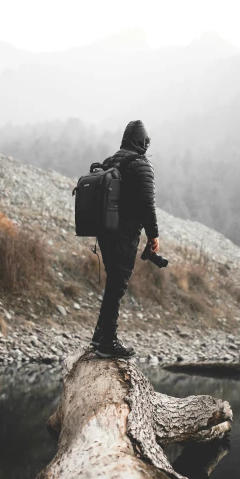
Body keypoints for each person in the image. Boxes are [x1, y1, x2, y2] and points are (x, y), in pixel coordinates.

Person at [92, 120, 160, 359]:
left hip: (104, 231)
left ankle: (99, 336)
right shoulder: (141, 165)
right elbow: (147, 205)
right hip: (125, 234)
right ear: (142, 142)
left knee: (113, 282)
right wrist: (153, 235)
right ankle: (107, 342)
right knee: (118, 284)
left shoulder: (112, 161)